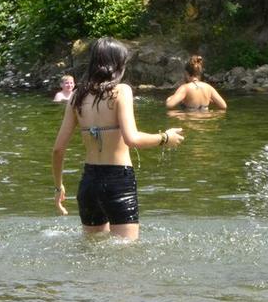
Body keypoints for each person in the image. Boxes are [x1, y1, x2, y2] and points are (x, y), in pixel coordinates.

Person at [51, 37, 184, 240]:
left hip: (89, 183)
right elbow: (132, 139)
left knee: (93, 250)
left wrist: (58, 186)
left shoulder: (76, 96)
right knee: (126, 253)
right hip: (118, 181)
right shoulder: (121, 91)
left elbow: (58, 149)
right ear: (117, 64)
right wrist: (165, 137)